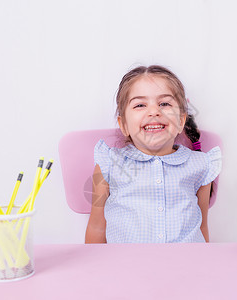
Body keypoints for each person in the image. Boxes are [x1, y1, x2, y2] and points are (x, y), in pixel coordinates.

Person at [85, 65, 221, 243]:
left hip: (186, 266)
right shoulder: (108, 163)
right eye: (140, 105)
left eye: (164, 104)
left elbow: (202, 227)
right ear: (123, 124)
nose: (154, 111)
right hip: (126, 266)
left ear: (181, 121)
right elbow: (96, 226)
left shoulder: (202, 165)